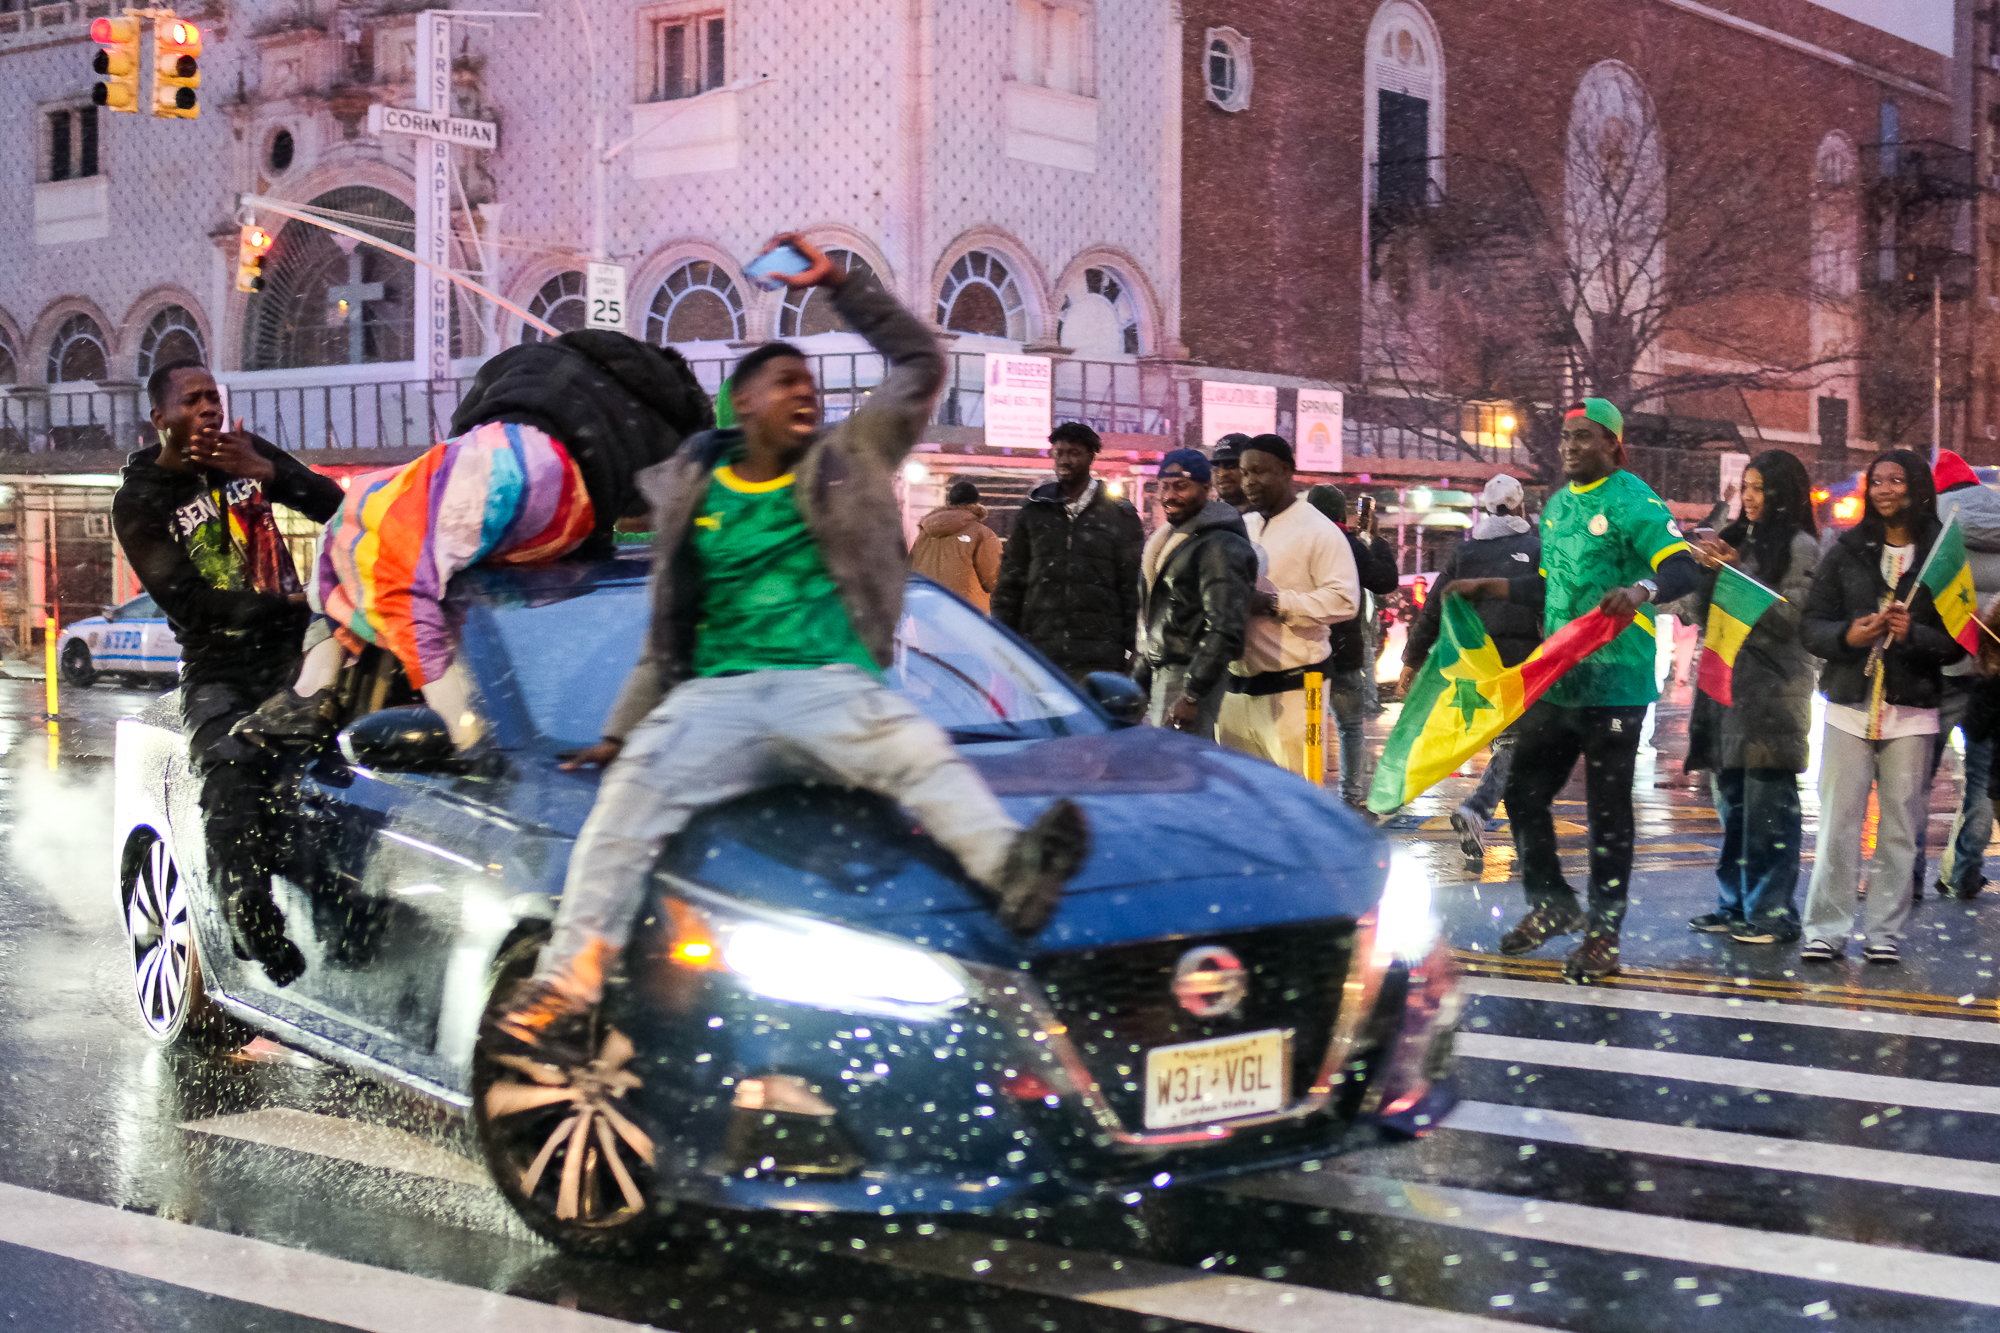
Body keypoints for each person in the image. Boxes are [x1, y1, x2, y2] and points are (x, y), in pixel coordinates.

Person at [486, 236, 1091, 1068]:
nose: (806, 393)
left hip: (829, 684)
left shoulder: (852, 458)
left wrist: (841, 285)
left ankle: (1012, 870)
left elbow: (918, 361)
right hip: (718, 697)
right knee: (624, 812)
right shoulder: (694, 492)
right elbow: (667, 635)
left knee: (918, 752)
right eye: (787, 382)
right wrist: (623, 732)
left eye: (811, 383)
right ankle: (567, 986)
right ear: (744, 403)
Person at [236, 326, 711, 747]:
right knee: (359, 534)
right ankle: (312, 689)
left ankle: (314, 690)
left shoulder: (529, 399)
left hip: (522, 470)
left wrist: (460, 724)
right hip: (572, 500)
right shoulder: (635, 414)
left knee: (362, 535)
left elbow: (396, 581)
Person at [1444, 399, 1702, 982]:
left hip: (1617, 682)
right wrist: (1491, 585)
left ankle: (1604, 935)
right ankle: (1552, 903)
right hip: (1560, 679)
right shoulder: (1557, 507)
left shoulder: (1634, 500)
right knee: (1524, 794)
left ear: (1613, 444)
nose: (1570, 447)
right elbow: (1548, 587)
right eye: (1565, 438)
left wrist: (1640, 589)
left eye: (1584, 438)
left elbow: (1683, 569)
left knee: (1607, 810)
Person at [112, 361, 347, 986]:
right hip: (217, 667)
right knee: (231, 778)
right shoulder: (139, 501)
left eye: (214, 396)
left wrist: (268, 473)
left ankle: (342, 915)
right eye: (192, 401)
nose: (210, 409)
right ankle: (250, 917)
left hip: (294, 655)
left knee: (325, 782)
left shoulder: (244, 453)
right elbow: (188, 602)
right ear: (160, 419)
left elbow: (339, 509)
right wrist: (293, 602)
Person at [1798, 449, 1966, 965]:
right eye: (1877, 481)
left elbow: (1958, 642)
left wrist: (1912, 634)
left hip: (1912, 711)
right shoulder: (1846, 550)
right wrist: (1850, 633)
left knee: (1899, 825)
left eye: (1896, 480)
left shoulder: (1942, 554)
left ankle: (1884, 932)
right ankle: (1825, 928)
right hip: (1849, 704)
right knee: (1838, 823)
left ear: (1918, 489)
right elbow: (1812, 625)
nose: (1884, 489)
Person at [1682, 450, 1821, 944]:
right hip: (1724, 689)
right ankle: (1735, 904)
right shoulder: (1736, 538)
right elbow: (1698, 611)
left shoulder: (1801, 547)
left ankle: (1773, 912)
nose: (1752, 498)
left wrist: (1739, 574)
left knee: (1769, 809)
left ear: (1785, 493)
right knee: (1734, 807)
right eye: (1747, 487)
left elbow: (1792, 620)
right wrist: (1706, 569)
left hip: (1771, 694)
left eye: (1762, 488)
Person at [1401, 473, 1543, 866]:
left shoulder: (1465, 553)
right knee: (1514, 746)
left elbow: (1433, 607)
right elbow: (1551, 598)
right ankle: (1479, 811)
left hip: (1471, 664)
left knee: (1507, 746)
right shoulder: (1535, 548)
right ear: (1521, 508)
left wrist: (1412, 658)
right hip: (1519, 663)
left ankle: (1503, 826)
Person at [1217, 435, 1359, 776]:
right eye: (1245, 471)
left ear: (1286, 471)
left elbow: (1344, 600)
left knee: (1299, 798)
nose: (1249, 480)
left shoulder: (1319, 531)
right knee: (1243, 800)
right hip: (1236, 688)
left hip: (1297, 689)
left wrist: (1275, 604)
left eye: (1260, 471)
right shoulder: (1240, 527)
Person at [990, 422, 1144, 682]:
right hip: (1040, 652)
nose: (1064, 460)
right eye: (1058, 453)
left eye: (1073, 453)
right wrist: (1006, 640)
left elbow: (1131, 588)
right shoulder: (1035, 510)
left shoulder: (1119, 514)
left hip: (1100, 654)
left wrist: (1132, 648)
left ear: (1090, 456)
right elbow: (1010, 582)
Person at [1916, 449, 2000, 900]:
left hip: (1943, 665)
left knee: (1916, 779)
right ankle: (1963, 872)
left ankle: (1905, 877)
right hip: (1991, 672)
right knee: (1982, 780)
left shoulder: (1934, 526)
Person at [1135, 449, 1257, 736]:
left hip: (1189, 673)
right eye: (1163, 486)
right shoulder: (1171, 538)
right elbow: (1158, 615)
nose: (1169, 495)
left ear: (1206, 489)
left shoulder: (1219, 544)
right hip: (1165, 670)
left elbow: (1225, 627)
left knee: (1177, 772)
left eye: (1181, 486)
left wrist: (1192, 694)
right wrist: (1141, 674)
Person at [1305, 485, 1398, 809]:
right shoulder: (1348, 545)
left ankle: (1307, 795)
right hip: (1343, 651)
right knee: (1350, 728)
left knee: (1308, 729)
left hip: (1304, 653)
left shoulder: (1302, 541)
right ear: (1342, 515)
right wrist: (1376, 540)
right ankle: (1350, 798)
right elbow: (1385, 580)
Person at [910, 479, 1001, 612]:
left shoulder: (925, 533)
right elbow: (993, 578)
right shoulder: (981, 534)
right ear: (976, 503)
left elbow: (909, 570)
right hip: (965, 610)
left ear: (949, 502)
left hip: (926, 609)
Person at [1211, 434, 1249, 510]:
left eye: (1231, 465)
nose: (1221, 473)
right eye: (1217, 466)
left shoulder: (1272, 516)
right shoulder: (1210, 517)